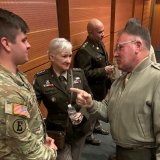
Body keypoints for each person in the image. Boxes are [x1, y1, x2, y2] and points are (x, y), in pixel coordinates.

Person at [71, 22, 160, 160]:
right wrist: (90, 103)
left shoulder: (156, 78)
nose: (115, 54)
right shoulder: (120, 80)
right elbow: (108, 110)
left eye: (120, 47)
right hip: (121, 150)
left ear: (137, 46)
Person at [0, 8, 57, 159]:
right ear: (6, 43)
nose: (29, 45)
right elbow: (28, 152)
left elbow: (25, 121)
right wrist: (51, 151)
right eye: (24, 40)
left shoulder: (16, 76)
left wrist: (41, 138)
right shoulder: (7, 92)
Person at [33, 38, 92, 160]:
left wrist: (82, 112)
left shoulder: (78, 74)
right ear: (52, 57)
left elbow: (90, 97)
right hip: (57, 133)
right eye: (64, 56)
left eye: (70, 56)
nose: (69, 61)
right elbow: (33, 109)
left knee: (76, 156)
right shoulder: (41, 79)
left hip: (79, 130)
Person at [74, 18, 114, 145]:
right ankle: (88, 135)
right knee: (91, 113)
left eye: (103, 31)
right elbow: (84, 74)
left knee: (98, 110)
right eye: (99, 32)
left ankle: (96, 127)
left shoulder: (99, 43)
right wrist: (103, 70)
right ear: (90, 33)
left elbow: (104, 59)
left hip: (101, 86)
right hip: (92, 88)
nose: (103, 34)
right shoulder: (84, 51)